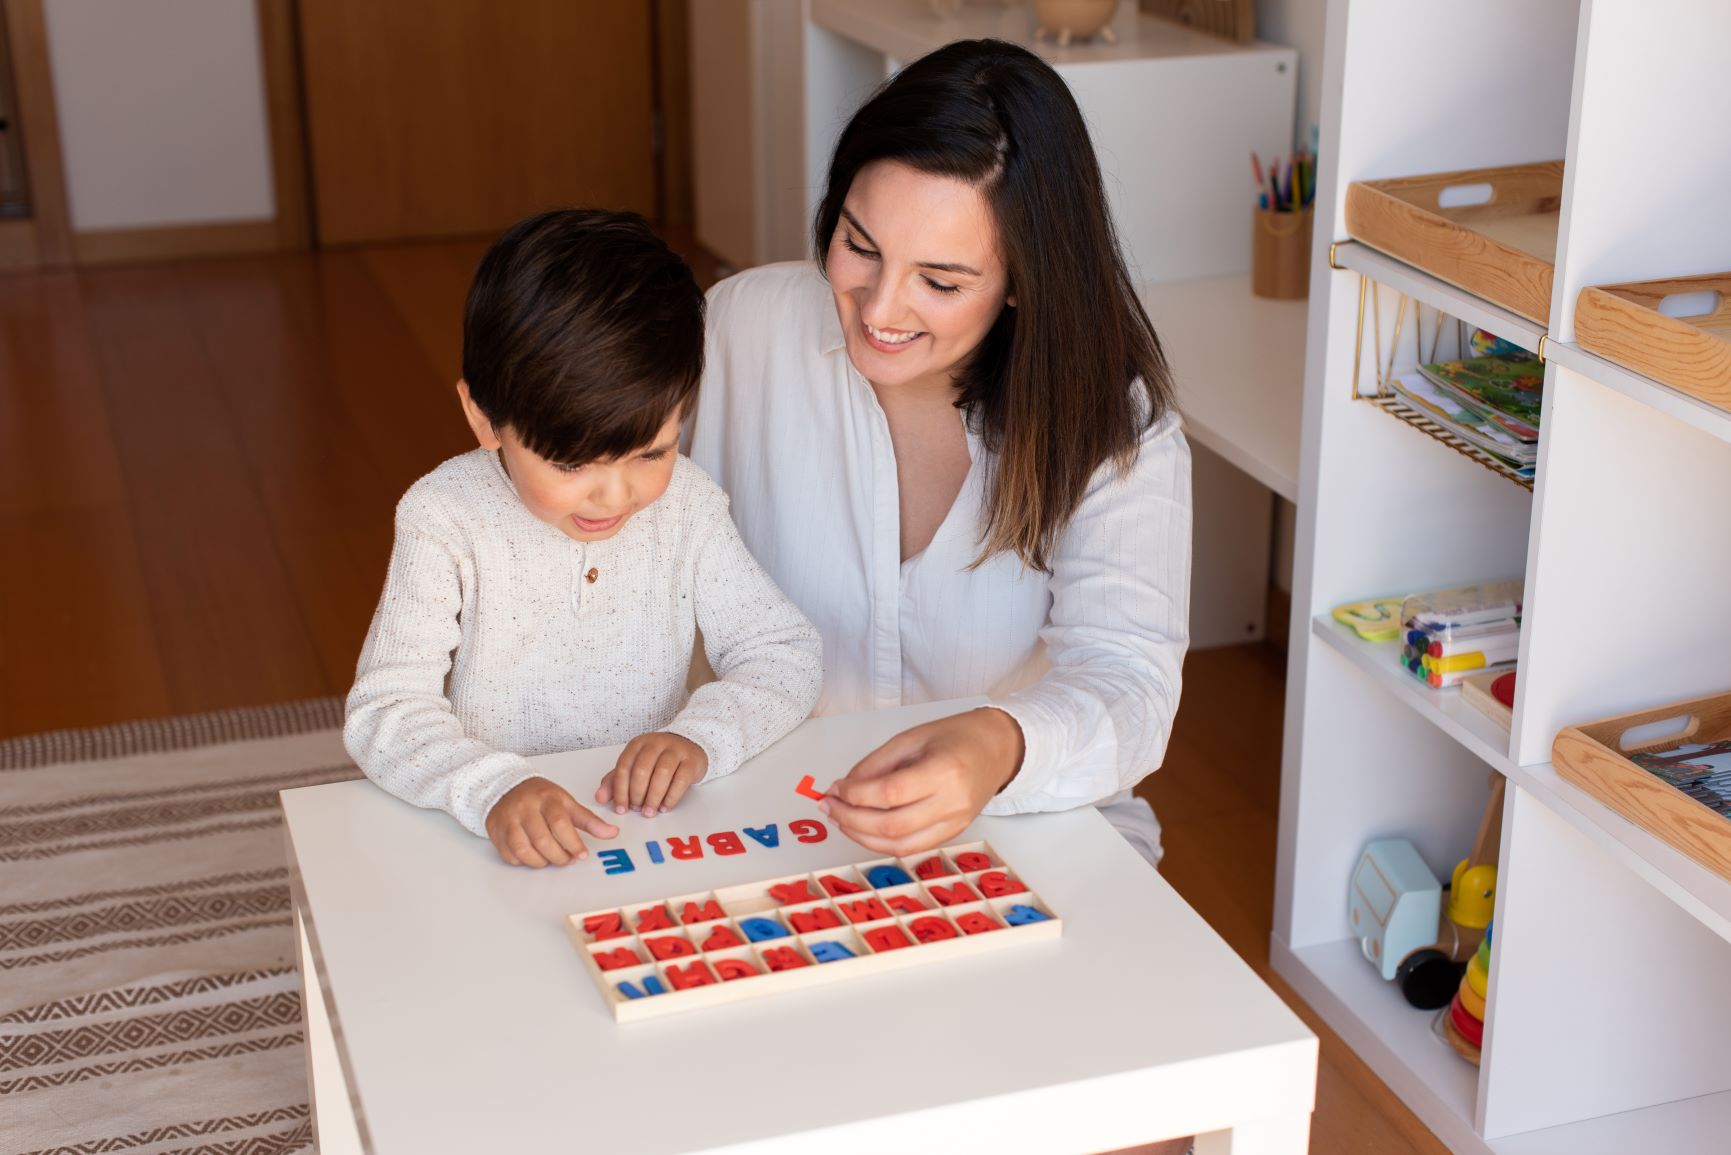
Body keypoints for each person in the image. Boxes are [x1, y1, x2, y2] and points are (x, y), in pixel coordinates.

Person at [689, 39, 1191, 866]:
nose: (879, 307)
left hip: (1027, 826)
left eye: (942, 281)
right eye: (859, 244)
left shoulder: (1109, 423)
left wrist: (997, 748)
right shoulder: (739, 329)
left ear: (1024, 281)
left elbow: (1130, 681)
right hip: (770, 817)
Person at [345, 209, 823, 868]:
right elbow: (385, 710)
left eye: (652, 452)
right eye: (571, 465)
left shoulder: (686, 505)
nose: (614, 495)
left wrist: (700, 737)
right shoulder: (443, 516)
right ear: (484, 419)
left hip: (645, 833)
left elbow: (784, 653)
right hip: (488, 835)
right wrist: (492, 787)